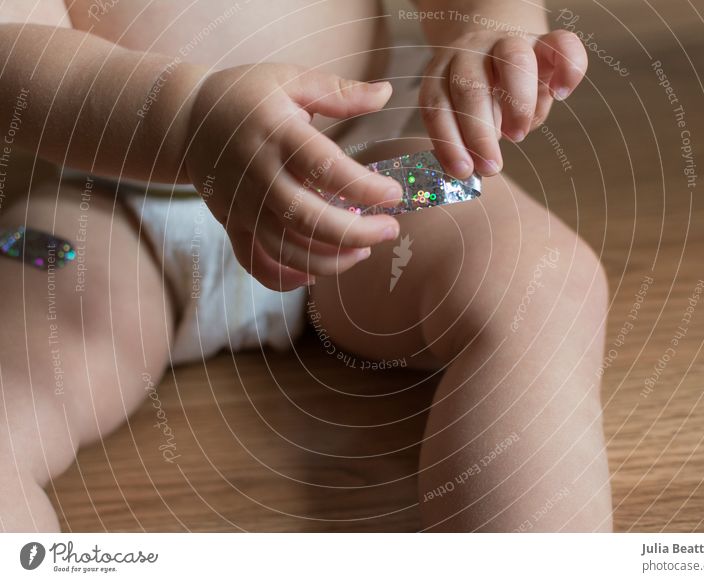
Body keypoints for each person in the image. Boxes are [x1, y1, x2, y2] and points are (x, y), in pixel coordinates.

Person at [0, 0, 611, 532]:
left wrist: (491, 32)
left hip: (370, 173)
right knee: (24, 275)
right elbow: (13, 58)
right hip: (117, 206)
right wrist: (187, 118)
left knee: (546, 282)